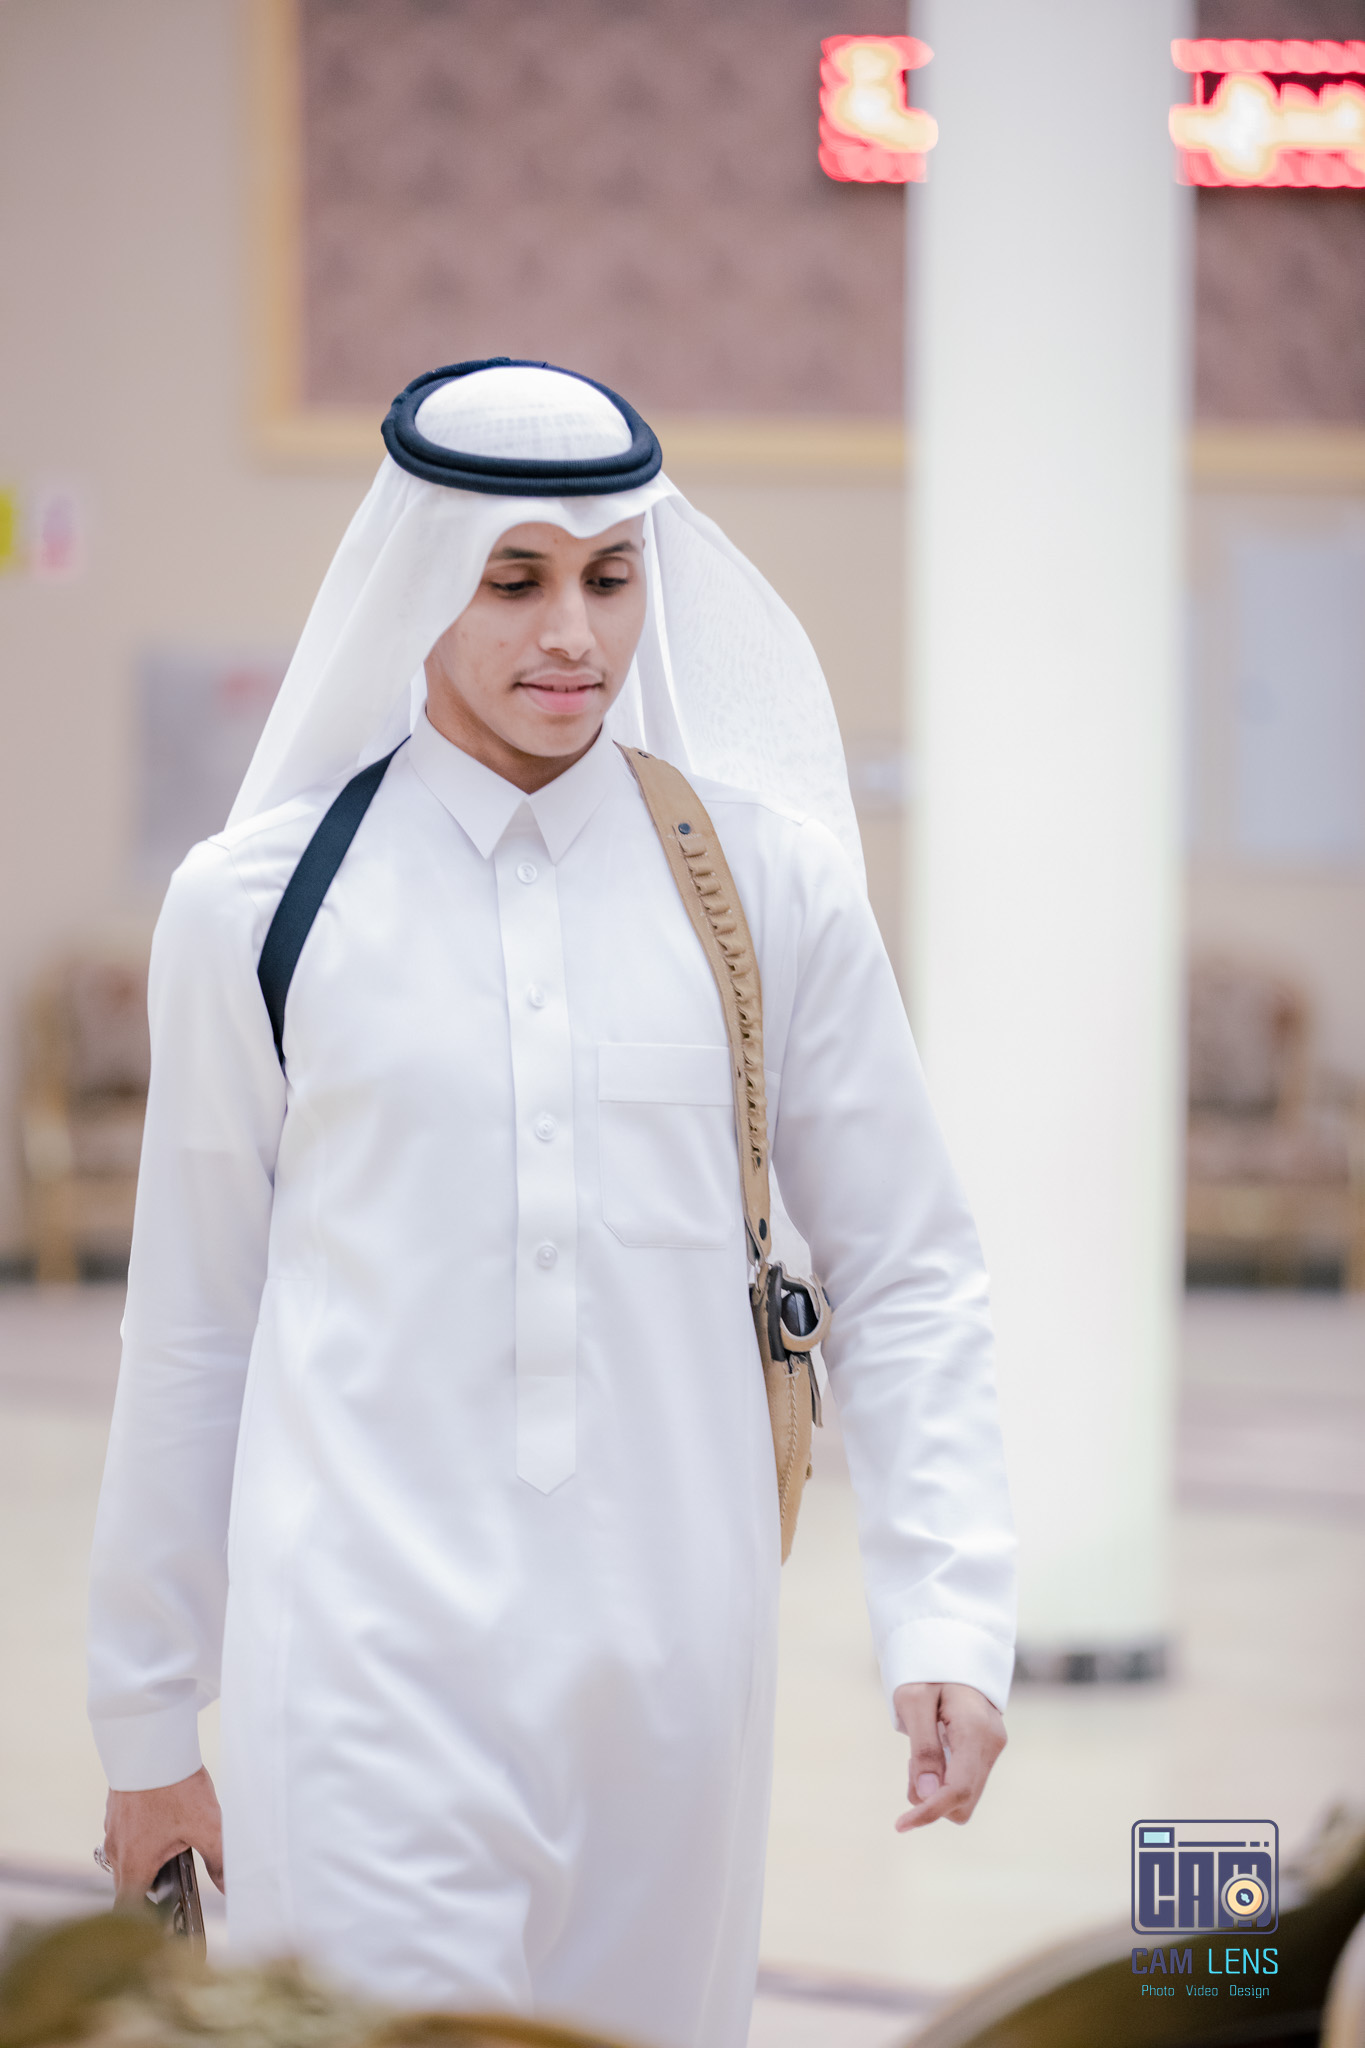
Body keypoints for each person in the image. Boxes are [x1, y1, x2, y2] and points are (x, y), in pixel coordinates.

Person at [88, 360, 1016, 2048]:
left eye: (608, 575)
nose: (572, 633)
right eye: (513, 580)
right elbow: (194, 1323)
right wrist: (148, 1715)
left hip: (678, 1695)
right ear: (418, 582)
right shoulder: (256, 907)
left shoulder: (766, 889)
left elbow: (905, 1266)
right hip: (359, 1677)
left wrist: (947, 1608)